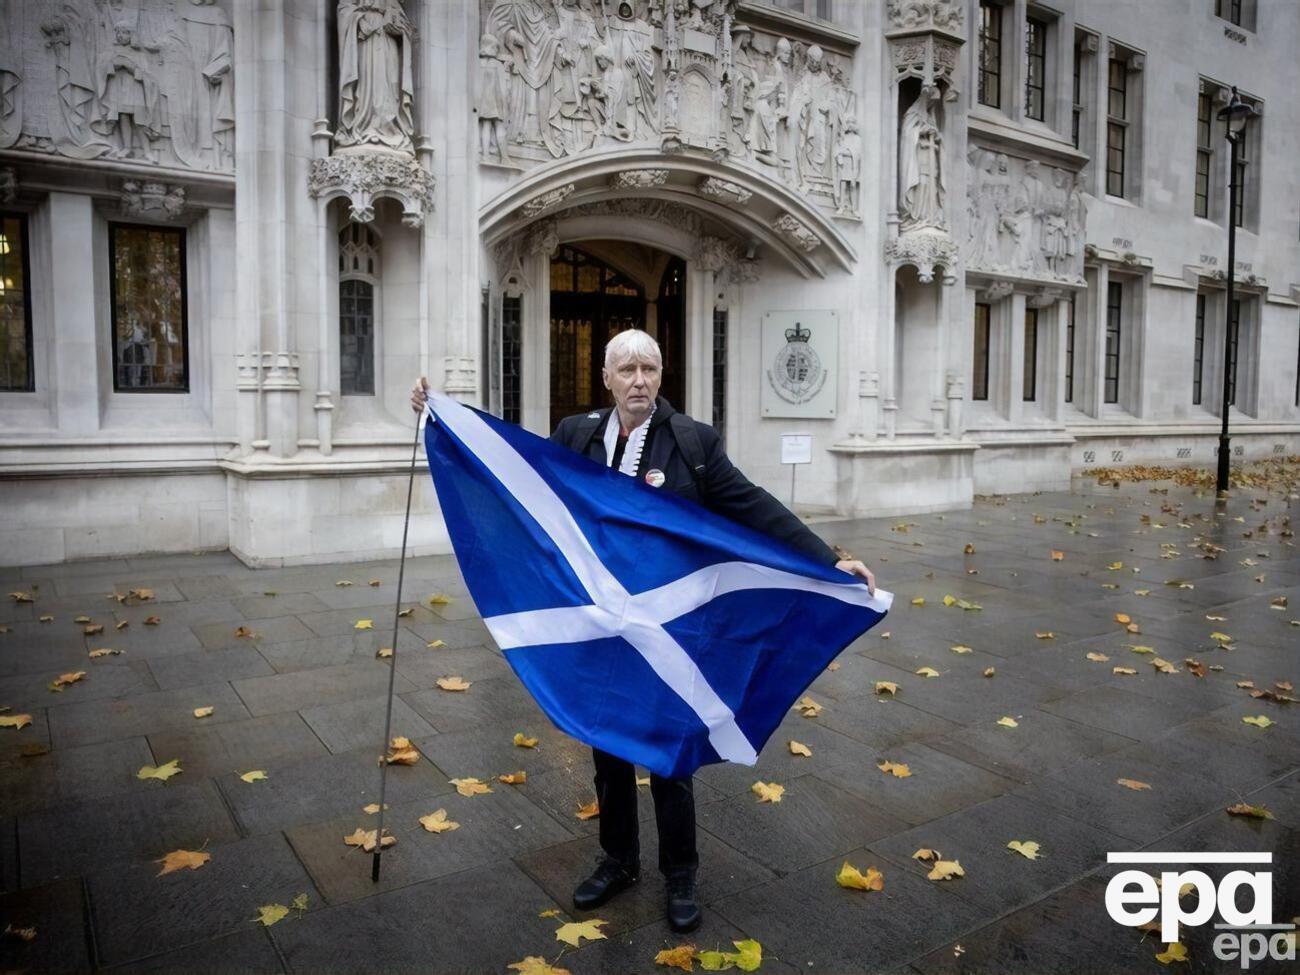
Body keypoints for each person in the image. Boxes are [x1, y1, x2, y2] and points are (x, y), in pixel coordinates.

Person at [410, 329, 876, 933]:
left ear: (661, 376)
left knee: (670, 756)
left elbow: (751, 505)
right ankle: (618, 860)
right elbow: (518, 478)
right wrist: (443, 418)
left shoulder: (692, 443)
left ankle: (680, 873)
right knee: (607, 743)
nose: (639, 380)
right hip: (603, 628)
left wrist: (827, 557)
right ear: (606, 378)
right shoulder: (576, 435)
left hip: (669, 627)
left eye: (649, 368)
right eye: (627, 369)